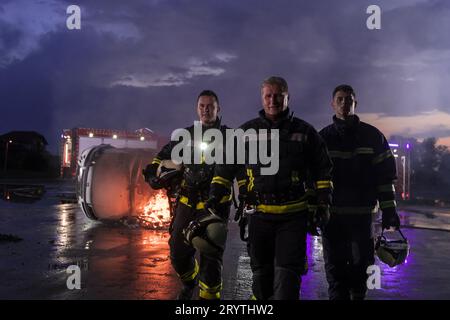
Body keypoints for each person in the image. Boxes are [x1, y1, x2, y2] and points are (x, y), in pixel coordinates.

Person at [207, 76, 333, 300]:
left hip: (293, 217)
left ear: (287, 97)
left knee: (286, 283)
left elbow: (322, 170)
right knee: (261, 283)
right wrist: (216, 195)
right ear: (262, 98)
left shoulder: (305, 132)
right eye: (268, 95)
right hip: (259, 217)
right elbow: (225, 167)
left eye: (278, 95)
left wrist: (323, 203)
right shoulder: (246, 132)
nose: (273, 100)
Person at [143, 90, 231, 300]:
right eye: (202, 106)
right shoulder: (186, 135)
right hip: (187, 203)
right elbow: (161, 157)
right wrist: (152, 175)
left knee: (210, 258)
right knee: (178, 252)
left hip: (215, 206)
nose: (206, 110)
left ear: (218, 109)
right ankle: (189, 281)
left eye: (210, 106)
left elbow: (241, 168)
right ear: (197, 108)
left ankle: (208, 299)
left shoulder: (229, 138)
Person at [319, 84, 401, 300]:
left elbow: (385, 179)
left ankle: (358, 295)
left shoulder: (373, 137)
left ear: (356, 103)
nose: (344, 103)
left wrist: (390, 211)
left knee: (362, 264)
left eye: (349, 99)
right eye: (340, 99)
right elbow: (314, 179)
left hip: (362, 216)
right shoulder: (323, 138)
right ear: (332, 103)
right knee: (334, 269)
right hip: (332, 216)